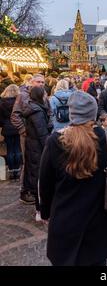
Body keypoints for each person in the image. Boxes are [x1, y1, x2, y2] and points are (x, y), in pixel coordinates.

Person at [39, 91, 107, 266]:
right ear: (93, 114)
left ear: (71, 113)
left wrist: (45, 212)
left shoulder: (55, 141)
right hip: (99, 221)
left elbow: (45, 184)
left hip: (65, 220)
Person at [11, 73, 52, 204]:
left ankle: (37, 190)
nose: (40, 84)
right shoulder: (23, 96)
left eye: (42, 82)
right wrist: (23, 130)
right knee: (27, 162)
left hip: (42, 134)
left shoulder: (44, 95)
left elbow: (49, 112)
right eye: (38, 82)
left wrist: (49, 124)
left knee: (39, 162)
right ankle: (25, 191)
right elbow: (15, 116)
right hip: (28, 136)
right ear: (32, 82)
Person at [23, 86, 53, 221]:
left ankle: (40, 209)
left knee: (37, 177)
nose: (46, 95)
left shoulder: (34, 108)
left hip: (33, 147)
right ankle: (40, 210)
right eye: (45, 93)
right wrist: (50, 148)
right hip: (38, 149)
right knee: (40, 178)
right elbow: (42, 134)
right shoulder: (37, 112)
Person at [0, 85, 22, 180]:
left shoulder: (1, 102)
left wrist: (3, 124)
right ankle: (17, 170)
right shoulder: (19, 102)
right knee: (17, 148)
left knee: (9, 149)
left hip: (7, 127)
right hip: (17, 127)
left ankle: (11, 170)